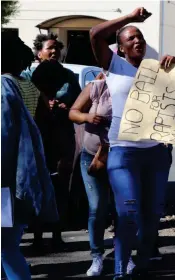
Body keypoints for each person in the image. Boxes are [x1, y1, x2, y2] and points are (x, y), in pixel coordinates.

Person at [90, 7, 175, 278]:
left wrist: (174, 69)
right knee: (127, 213)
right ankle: (120, 271)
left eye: (140, 36)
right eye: (131, 38)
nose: (137, 40)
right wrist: (130, 18)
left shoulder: (157, 69)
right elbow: (94, 33)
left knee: (151, 219)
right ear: (120, 47)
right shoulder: (113, 65)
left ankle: (139, 266)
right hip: (123, 152)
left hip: (155, 153)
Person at [1, 34, 58, 280]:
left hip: (4, 181)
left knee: (6, 247)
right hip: (17, 174)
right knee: (8, 245)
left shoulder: (3, 88)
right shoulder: (24, 85)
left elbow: (3, 138)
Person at [22, 33, 81, 250]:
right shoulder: (26, 76)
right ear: (39, 52)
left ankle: (57, 234)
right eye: (50, 48)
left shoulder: (69, 76)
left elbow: (80, 102)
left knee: (59, 186)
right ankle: (36, 236)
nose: (55, 51)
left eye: (57, 48)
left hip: (62, 136)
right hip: (36, 137)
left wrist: (68, 108)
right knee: (36, 184)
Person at [69, 72, 113, 276]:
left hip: (121, 156)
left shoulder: (136, 89)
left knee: (123, 209)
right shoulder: (97, 86)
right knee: (97, 207)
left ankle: (125, 254)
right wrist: (88, 116)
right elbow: (73, 112)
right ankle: (97, 256)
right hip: (92, 157)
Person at [30, 60, 74, 252]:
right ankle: (47, 237)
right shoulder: (37, 102)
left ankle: (47, 237)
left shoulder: (57, 105)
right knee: (53, 195)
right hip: (45, 153)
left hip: (51, 153)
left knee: (52, 195)